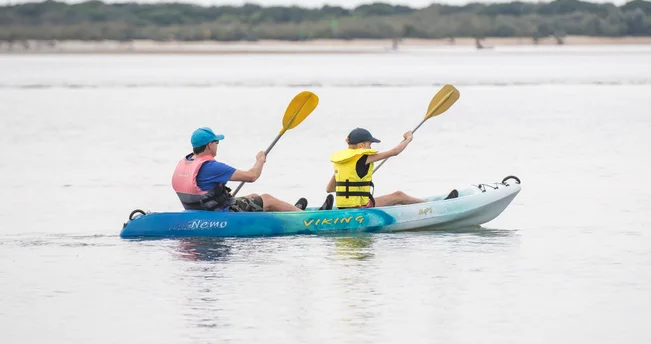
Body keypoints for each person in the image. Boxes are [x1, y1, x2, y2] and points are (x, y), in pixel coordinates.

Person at [172, 127, 306, 212]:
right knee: (267, 199)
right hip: (217, 213)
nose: (217, 146)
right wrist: (260, 160)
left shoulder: (184, 163)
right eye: (216, 142)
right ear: (209, 145)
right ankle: (303, 217)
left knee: (254, 197)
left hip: (198, 210)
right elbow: (252, 176)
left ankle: (290, 211)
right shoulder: (211, 167)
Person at [323, 127, 457, 210]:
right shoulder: (363, 157)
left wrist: (357, 180)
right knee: (399, 196)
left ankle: (421, 206)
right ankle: (437, 207)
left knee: (397, 201)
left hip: (343, 207)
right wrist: (408, 138)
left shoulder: (341, 161)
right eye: (370, 144)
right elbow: (395, 151)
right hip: (359, 208)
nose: (370, 147)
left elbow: (330, 189)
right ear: (361, 145)